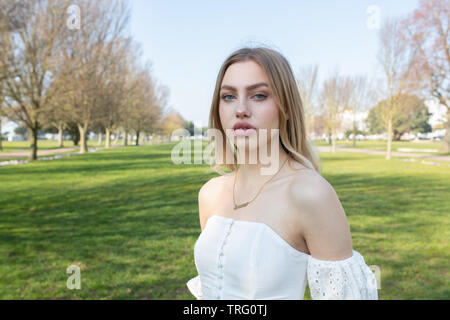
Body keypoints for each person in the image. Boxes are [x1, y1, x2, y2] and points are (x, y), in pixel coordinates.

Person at [186, 46, 378, 300]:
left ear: (286, 107)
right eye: (229, 97)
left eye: (259, 95)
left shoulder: (309, 193)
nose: (240, 109)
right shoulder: (210, 194)